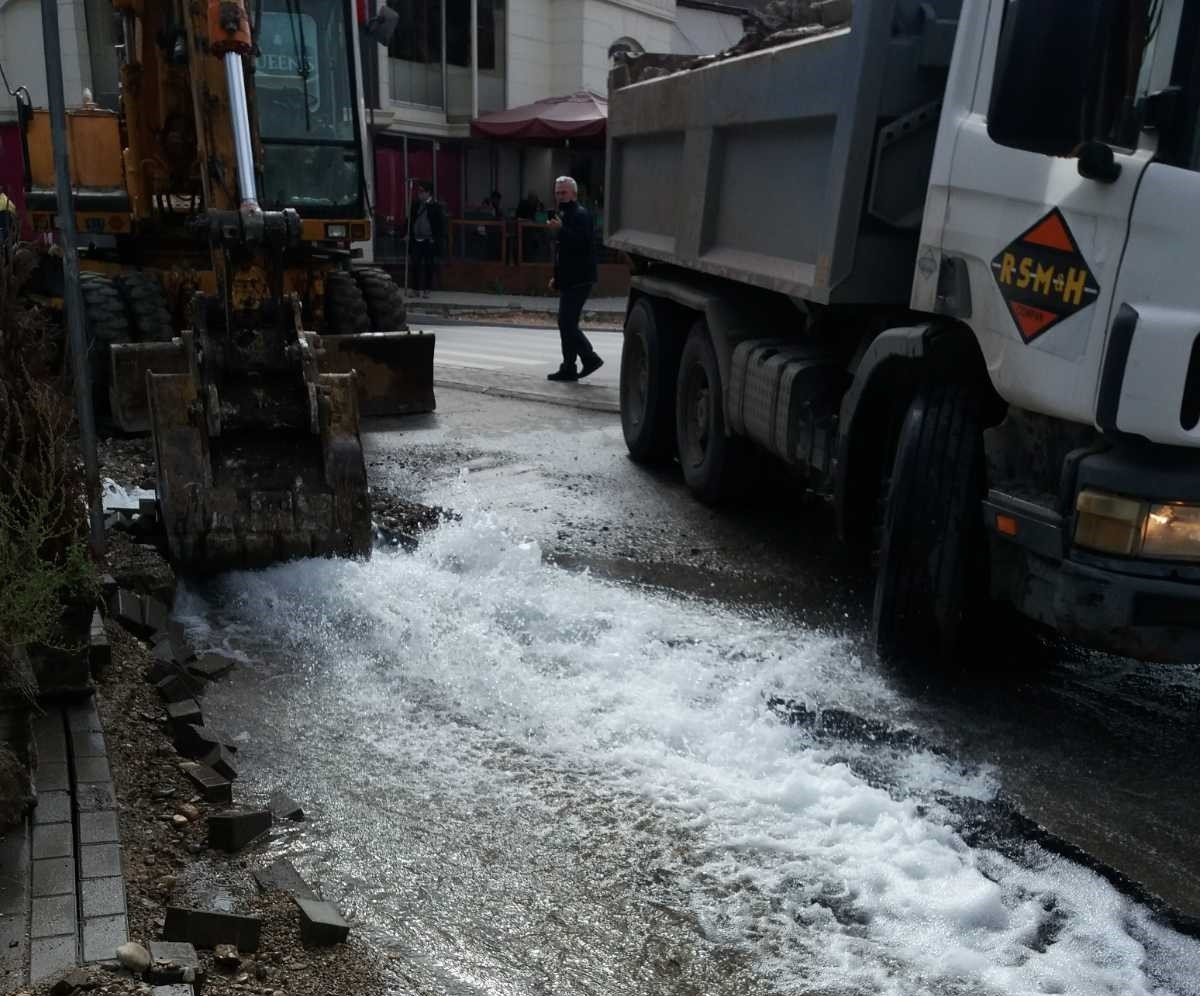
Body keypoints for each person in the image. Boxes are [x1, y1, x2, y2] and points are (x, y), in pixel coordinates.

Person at [547, 176, 603, 382]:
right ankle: (570, 366)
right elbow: (562, 252)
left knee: (567, 323)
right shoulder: (565, 213)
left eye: (564, 192)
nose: (560, 196)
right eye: (557, 192)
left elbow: (581, 245)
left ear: (573, 193)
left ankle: (588, 358)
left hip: (580, 278)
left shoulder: (580, 214)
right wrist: (557, 277)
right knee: (566, 323)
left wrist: (560, 231)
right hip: (570, 278)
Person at [407, 182, 445, 298]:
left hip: (429, 240)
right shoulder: (415, 204)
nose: (419, 194)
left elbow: (440, 225)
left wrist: (436, 238)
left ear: (428, 193)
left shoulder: (435, 206)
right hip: (416, 239)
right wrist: (407, 233)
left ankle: (427, 289)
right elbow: (409, 220)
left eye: (422, 191)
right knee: (415, 264)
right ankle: (415, 289)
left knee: (429, 265)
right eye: (418, 191)